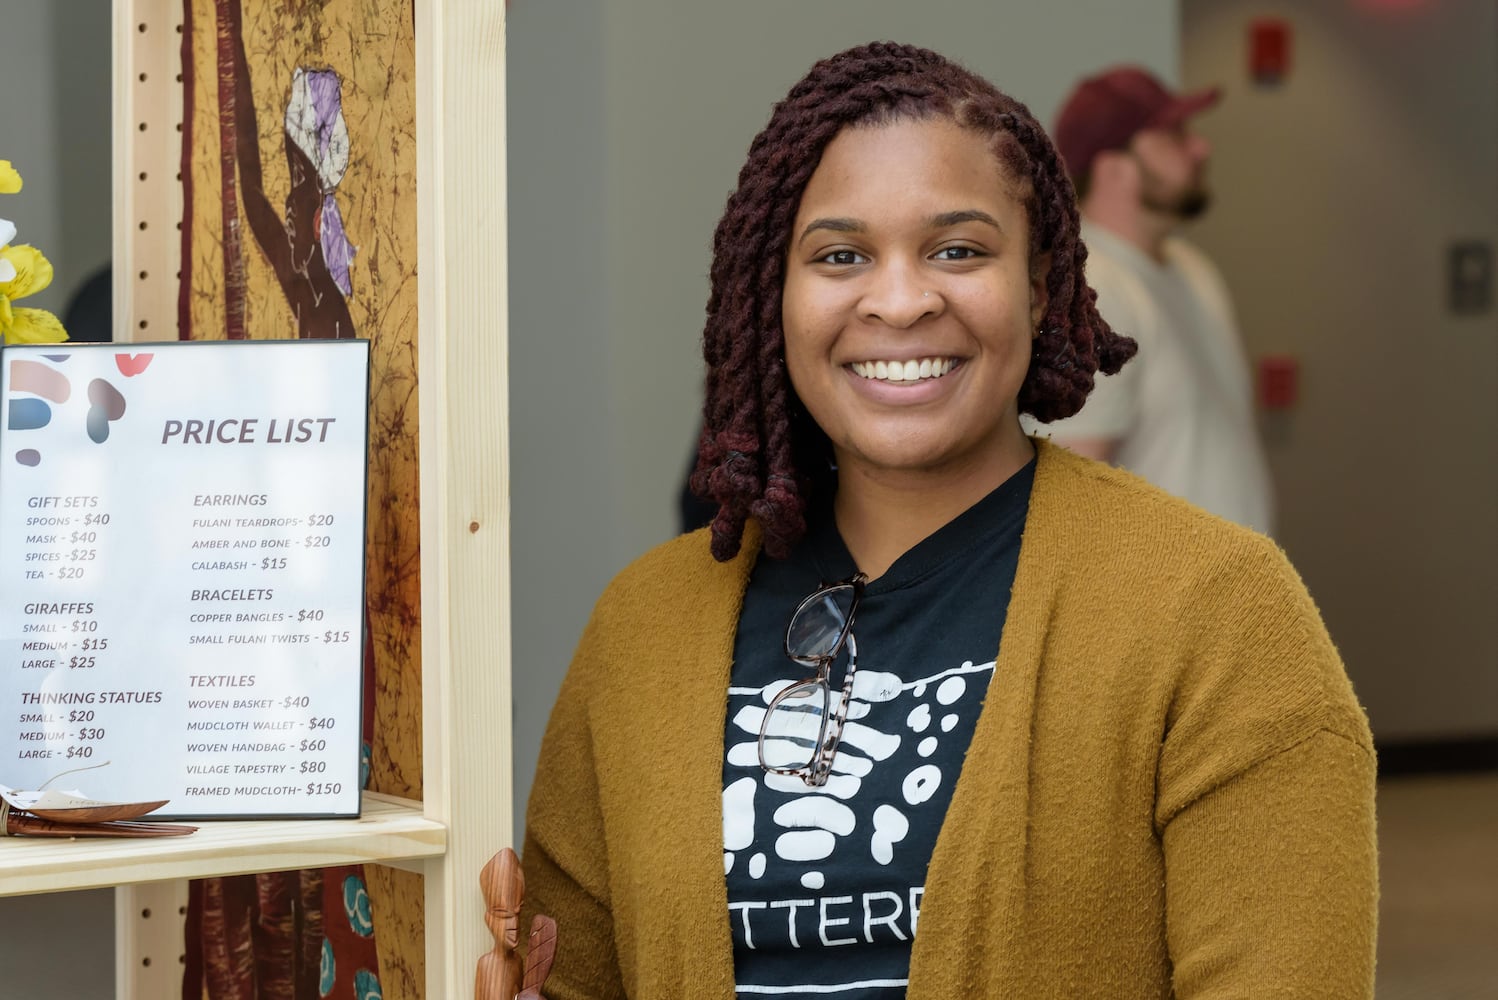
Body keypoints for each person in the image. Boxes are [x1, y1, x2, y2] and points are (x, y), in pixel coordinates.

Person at [522, 42, 1376, 999]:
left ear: (1042, 283)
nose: (899, 300)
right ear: (776, 297)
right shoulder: (641, 629)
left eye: (958, 250)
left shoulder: (1219, 614)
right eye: (840, 255)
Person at [1025, 66, 1274, 533]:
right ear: (1114, 167)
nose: (1201, 147)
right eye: (1174, 135)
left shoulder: (1194, 269)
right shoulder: (1092, 287)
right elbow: (1075, 496)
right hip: (1161, 602)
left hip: (1229, 595)